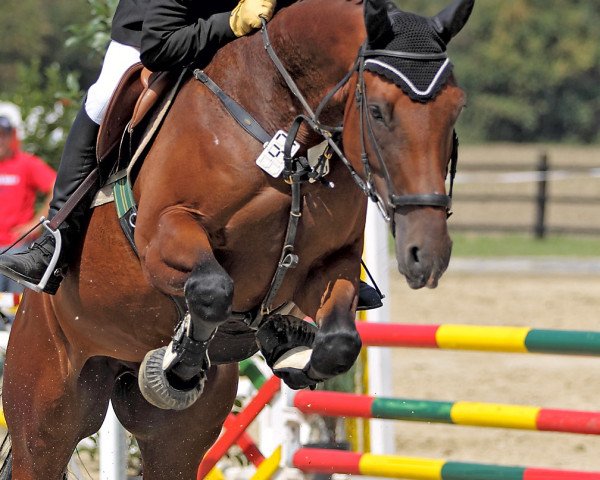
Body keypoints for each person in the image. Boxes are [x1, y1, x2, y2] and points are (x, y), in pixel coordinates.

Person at [0, 0, 278, 294]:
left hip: (233, 29)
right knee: (102, 99)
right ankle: (54, 243)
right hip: (152, 32)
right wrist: (230, 23)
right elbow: (159, 46)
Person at [0, 102, 56, 294]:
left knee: (16, 313)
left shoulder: (26, 163)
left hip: (17, 250)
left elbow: (56, 186)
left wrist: (36, 223)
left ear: (11, 136)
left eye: (3, 134)